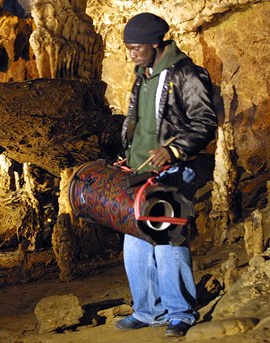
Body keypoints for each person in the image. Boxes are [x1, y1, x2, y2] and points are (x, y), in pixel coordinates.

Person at [115, 13, 218, 337]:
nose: (131, 54)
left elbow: (204, 121)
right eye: (128, 48)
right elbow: (139, 122)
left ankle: (180, 313)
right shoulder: (143, 73)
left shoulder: (186, 74)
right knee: (135, 244)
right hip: (140, 172)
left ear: (156, 43)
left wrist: (173, 151)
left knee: (168, 241)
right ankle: (148, 311)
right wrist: (128, 153)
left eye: (136, 48)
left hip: (173, 170)